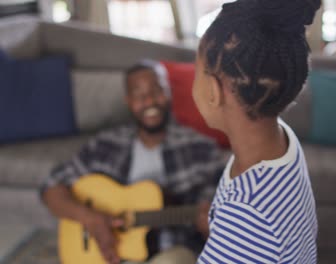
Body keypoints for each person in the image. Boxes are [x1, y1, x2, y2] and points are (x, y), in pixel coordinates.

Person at [40, 61, 226, 264]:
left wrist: (210, 228)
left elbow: (220, 230)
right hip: (112, 254)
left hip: (172, 253)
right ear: (128, 101)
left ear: (169, 93)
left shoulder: (201, 149)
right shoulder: (105, 145)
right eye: (139, 94)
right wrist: (91, 219)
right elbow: (51, 187)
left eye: (157, 90)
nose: (149, 101)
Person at [192, 0, 321, 263]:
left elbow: (251, 224)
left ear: (214, 93)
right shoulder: (281, 139)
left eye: (196, 72)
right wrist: (221, 229)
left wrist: (231, 229)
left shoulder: (247, 213)